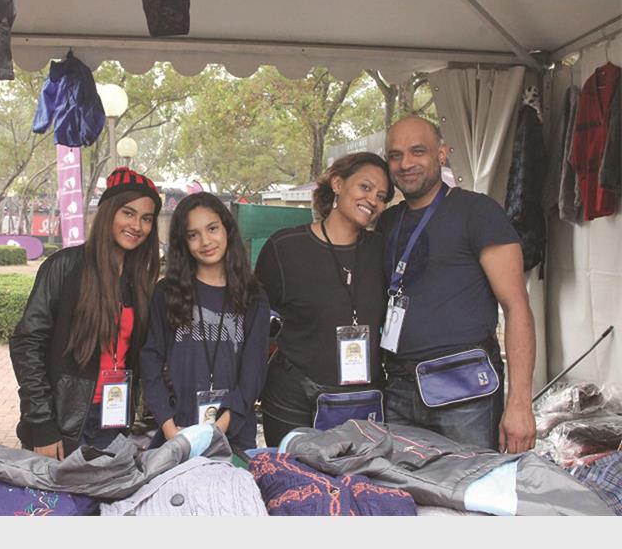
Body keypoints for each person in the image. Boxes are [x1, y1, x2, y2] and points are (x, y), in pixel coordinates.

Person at [379, 115, 536, 453]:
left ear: (442, 154)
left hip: (464, 390)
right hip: (397, 388)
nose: (405, 163)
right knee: (400, 486)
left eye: (417, 151)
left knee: (471, 484)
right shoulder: (388, 221)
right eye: (395, 155)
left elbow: (517, 307)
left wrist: (520, 404)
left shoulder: (478, 211)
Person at [9, 167, 161, 459]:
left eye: (146, 218)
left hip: (113, 419)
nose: (137, 225)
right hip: (62, 420)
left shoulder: (140, 280)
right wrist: (42, 423)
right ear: (108, 213)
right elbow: (27, 344)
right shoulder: (64, 266)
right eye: (128, 213)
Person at [255, 152, 394, 447]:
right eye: (365, 187)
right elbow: (254, 319)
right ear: (338, 184)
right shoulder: (285, 248)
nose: (373, 200)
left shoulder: (382, 250)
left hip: (360, 400)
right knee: (292, 475)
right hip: (292, 399)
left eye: (382, 196)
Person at [140, 192, 270, 451]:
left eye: (212, 229)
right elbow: (150, 361)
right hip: (177, 433)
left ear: (227, 229)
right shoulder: (167, 293)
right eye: (193, 235)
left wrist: (218, 429)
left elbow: (253, 373)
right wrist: (169, 427)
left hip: (233, 436)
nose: (205, 241)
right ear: (183, 242)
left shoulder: (254, 297)